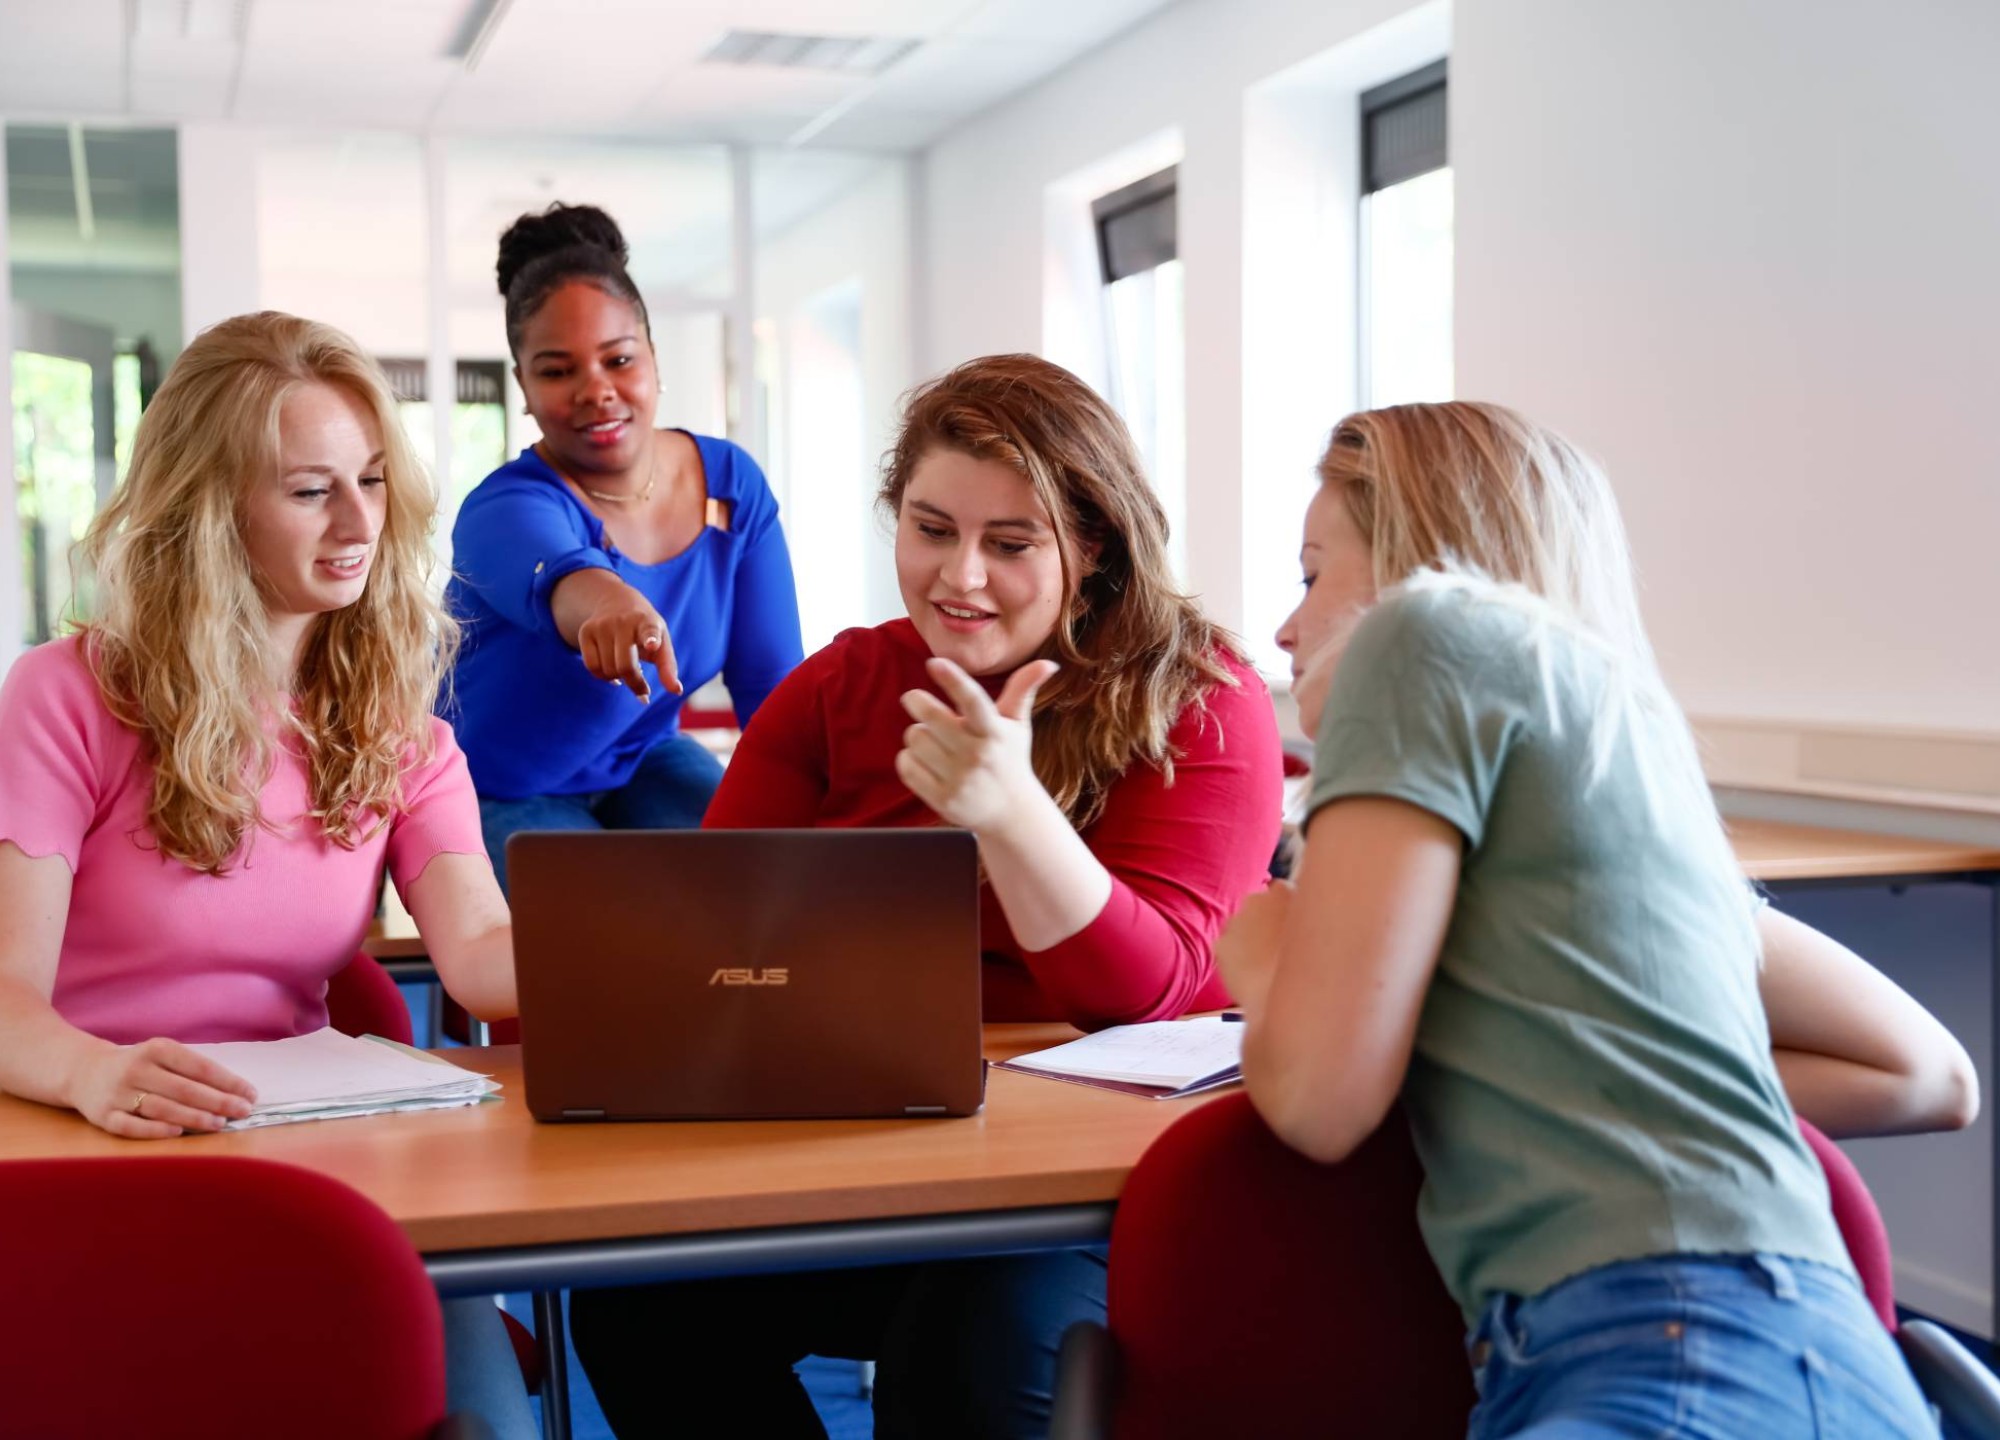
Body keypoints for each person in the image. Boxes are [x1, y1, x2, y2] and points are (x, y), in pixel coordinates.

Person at [1220, 401, 1976, 1438]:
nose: (1284, 627)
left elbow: (1315, 1102)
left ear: (1412, 556)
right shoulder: (1616, 767)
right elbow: (1923, 1072)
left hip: (1677, 1346)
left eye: (1311, 575)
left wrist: (1266, 960)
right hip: (1775, 1345)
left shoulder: (1420, 629)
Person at [569, 353, 1285, 1438]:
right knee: (642, 1307)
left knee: (966, 1352)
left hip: (1090, 1192)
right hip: (880, 1151)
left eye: (1010, 544)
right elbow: (704, 945)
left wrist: (1009, 814)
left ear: (1091, 548)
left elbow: (1146, 996)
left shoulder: (1199, 700)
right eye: (930, 528)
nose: (960, 577)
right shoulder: (841, 687)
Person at [0, 311, 534, 1440]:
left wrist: (679, 960)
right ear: (211, 505)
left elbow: (484, 961)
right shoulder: (64, 696)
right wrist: (93, 1074)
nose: (358, 523)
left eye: (373, 481)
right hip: (90, 1144)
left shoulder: (405, 738)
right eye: (309, 490)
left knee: (471, 1422)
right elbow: (4, 993)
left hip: (317, 1153)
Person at [446, 202, 803, 890]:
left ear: (653, 359)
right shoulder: (505, 505)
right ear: (523, 386)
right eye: (557, 371)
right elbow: (566, 576)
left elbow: (774, 695)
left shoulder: (730, 487)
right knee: (611, 936)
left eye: (618, 359)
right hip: (501, 786)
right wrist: (610, 606)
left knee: (768, 880)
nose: (596, 391)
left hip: (642, 759)